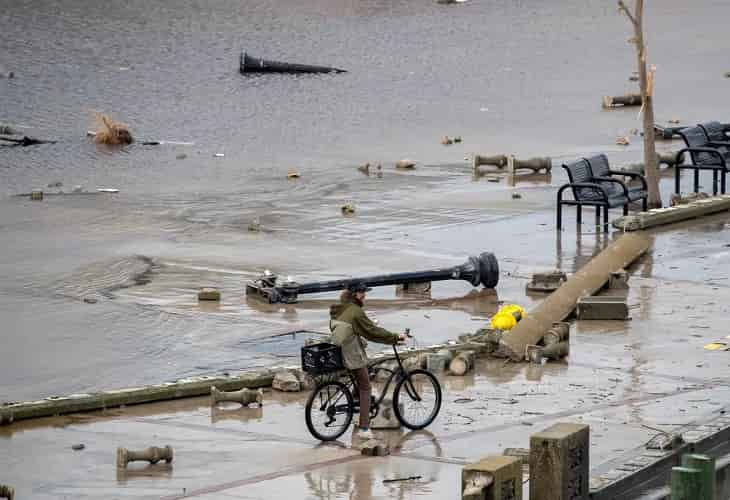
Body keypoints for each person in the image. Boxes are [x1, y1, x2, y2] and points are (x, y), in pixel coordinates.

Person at [329, 280, 407, 440]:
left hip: (338, 349)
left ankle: (356, 400)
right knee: (366, 387)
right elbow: (373, 332)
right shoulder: (356, 311)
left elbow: (356, 328)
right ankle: (364, 428)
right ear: (355, 294)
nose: (364, 295)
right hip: (350, 354)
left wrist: (361, 332)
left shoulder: (341, 308)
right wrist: (394, 337)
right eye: (362, 292)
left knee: (363, 370)